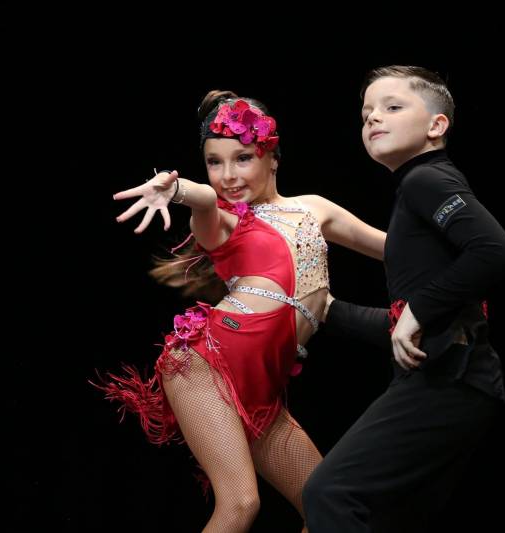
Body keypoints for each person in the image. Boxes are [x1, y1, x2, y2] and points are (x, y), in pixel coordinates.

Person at [94, 90, 385, 532]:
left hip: (262, 389)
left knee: (329, 510)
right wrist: (175, 188)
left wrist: (456, 251)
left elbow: (392, 248)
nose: (227, 175)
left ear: (272, 157)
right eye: (214, 162)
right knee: (240, 504)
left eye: (242, 158)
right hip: (205, 363)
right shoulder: (226, 220)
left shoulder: (313, 209)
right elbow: (204, 200)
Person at [302, 66, 505, 531]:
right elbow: (414, 326)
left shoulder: (427, 181)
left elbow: (496, 251)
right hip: (452, 379)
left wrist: (417, 311)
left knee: (329, 493)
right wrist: (329, 311)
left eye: (392, 107)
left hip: (450, 381)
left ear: (436, 126)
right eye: (366, 114)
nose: (373, 119)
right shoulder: (415, 189)